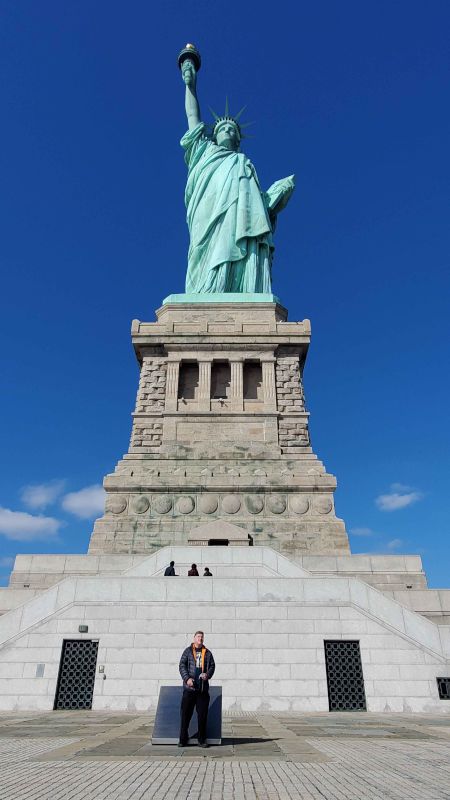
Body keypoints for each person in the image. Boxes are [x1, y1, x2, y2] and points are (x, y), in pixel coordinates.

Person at [180, 55, 294, 294]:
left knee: (235, 241)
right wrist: (190, 85)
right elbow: (192, 117)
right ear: (214, 136)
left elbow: (258, 210)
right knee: (205, 251)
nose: (228, 131)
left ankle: (236, 287)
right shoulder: (203, 151)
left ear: (239, 141)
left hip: (237, 218)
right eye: (223, 128)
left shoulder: (243, 163)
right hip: (207, 214)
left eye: (232, 130)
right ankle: (206, 290)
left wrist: (276, 196)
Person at [178, 630, 215, 747]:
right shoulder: (188, 651)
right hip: (189, 690)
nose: (200, 639)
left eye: (202, 637)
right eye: (198, 636)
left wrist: (207, 675)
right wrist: (187, 679)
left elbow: (212, 666)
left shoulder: (207, 653)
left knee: (202, 717)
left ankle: (201, 740)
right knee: (185, 716)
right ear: (194, 638)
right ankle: (182, 739)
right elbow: (182, 665)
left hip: (202, 690)